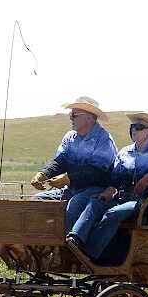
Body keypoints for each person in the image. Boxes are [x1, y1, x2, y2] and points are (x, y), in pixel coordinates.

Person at [66, 112, 148, 262]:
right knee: (95, 202)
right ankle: (75, 239)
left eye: (139, 127)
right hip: (122, 197)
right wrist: (109, 191)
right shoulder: (124, 152)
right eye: (133, 127)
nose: (134, 130)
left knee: (114, 212)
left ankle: (90, 255)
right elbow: (114, 179)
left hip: (145, 202)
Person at [30, 96, 118, 229]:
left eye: (74, 115)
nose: (71, 118)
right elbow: (60, 161)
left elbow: (97, 173)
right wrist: (44, 173)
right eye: (71, 115)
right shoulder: (69, 137)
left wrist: (68, 179)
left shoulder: (104, 140)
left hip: (96, 188)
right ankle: (41, 241)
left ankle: (67, 245)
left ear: (89, 118)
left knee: (75, 203)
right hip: (72, 188)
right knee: (37, 200)